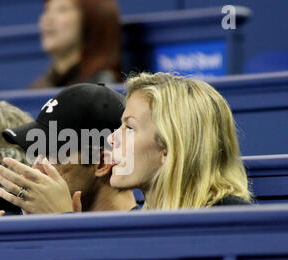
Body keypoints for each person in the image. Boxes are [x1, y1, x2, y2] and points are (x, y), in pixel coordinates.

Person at [108, 72, 252, 209]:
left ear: (168, 147)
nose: (111, 138)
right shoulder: (140, 226)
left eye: (130, 128)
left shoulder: (231, 219)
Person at [0, 83, 137, 213]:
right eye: (38, 153)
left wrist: (61, 222)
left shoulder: (145, 235)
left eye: (53, 154)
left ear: (101, 163)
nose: (36, 167)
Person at [31, 0, 122, 88]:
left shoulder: (102, 88)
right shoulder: (38, 87)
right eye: (47, 9)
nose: (48, 18)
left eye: (62, 9)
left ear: (90, 18)